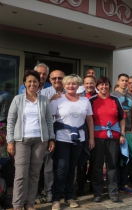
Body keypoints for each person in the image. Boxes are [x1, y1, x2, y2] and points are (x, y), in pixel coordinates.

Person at [6, 70, 55, 210]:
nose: (32, 83)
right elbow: (11, 121)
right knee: (21, 174)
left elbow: (48, 121)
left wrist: (51, 139)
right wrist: (10, 141)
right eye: (29, 81)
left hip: (40, 141)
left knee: (34, 174)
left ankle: (29, 203)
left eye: (35, 81)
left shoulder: (43, 100)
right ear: (24, 83)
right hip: (22, 140)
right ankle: (18, 204)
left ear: (39, 83)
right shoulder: (18, 99)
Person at [50, 74, 94, 210]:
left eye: (74, 84)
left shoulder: (85, 101)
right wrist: (50, 139)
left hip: (79, 139)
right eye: (68, 84)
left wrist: (91, 138)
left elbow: (90, 120)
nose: (71, 86)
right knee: (62, 168)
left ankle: (69, 196)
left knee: (72, 168)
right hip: (62, 138)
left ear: (78, 85)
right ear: (64, 85)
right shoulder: (57, 100)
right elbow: (50, 119)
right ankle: (56, 198)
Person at [89, 76, 125, 203]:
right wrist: (91, 138)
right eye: (101, 85)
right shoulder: (92, 100)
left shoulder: (115, 100)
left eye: (106, 84)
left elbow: (122, 118)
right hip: (98, 138)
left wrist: (122, 134)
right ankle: (97, 192)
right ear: (97, 86)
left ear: (109, 86)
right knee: (97, 165)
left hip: (113, 138)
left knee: (112, 165)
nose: (104, 87)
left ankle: (112, 191)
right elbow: (89, 120)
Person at [39, 70, 66, 202]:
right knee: (49, 164)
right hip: (49, 132)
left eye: (60, 78)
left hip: (65, 133)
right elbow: (39, 113)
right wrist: (49, 101)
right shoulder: (43, 93)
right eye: (54, 78)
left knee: (63, 164)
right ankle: (49, 191)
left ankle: (62, 190)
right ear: (50, 80)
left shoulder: (70, 93)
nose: (57, 80)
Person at [111, 74, 132, 195]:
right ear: (118, 81)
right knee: (116, 159)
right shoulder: (113, 95)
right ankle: (115, 185)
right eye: (122, 80)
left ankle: (124, 184)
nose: (125, 83)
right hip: (116, 132)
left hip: (128, 132)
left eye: (127, 81)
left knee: (127, 159)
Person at [75, 76, 98, 196]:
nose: (89, 85)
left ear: (95, 84)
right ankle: (80, 186)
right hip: (81, 131)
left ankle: (93, 185)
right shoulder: (78, 96)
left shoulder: (99, 96)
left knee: (94, 161)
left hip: (95, 131)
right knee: (81, 161)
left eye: (91, 83)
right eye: (87, 83)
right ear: (83, 85)